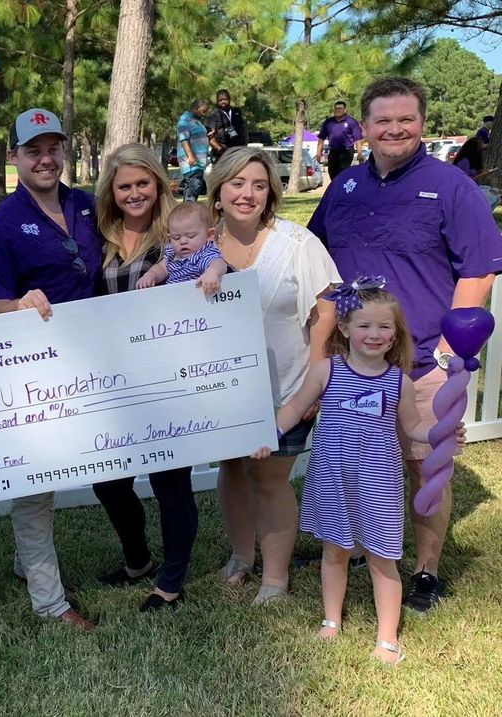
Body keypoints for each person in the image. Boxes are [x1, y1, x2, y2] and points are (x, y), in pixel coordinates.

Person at [308, 77, 502, 615]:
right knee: (349, 459)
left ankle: (425, 570)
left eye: (406, 119)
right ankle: (342, 545)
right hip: (353, 363)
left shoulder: (451, 186)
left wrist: (447, 347)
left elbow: (479, 270)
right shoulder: (343, 186)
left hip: (423, 360)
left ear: (421, 122)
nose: (395, 129)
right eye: (383, 120)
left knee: (425, 467)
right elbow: (316, 259)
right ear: (363, 127)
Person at [251, 279, 465, 664]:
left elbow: (413, 427)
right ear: (345, 329)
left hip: (378, 485)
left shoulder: (398, 381)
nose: (375, 334)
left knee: (383, 559)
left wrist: (441, 432)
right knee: (335, 553)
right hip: (333, 481)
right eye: (364, 325)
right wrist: (271, 433)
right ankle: (331, 620)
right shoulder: (326, 371)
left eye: (385, 326)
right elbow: (295, 408)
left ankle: (386, 640)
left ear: (395, 334)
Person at [0, 108, 101, 631]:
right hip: (36, 371)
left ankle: (27, 563)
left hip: (93, 361)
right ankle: (49, 600)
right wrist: (19, 305)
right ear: (14, 156)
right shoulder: (2, 225)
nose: (46, 158)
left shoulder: (87, 205)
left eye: (53, 147)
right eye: (33, 150)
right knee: (36, 484)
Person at [207, 147, 341, 603]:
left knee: (268, 477)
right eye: (237, 184)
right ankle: (243, 555)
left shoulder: (297, 244)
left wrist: (317, 372)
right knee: (233, 469)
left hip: (286, 384)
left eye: (259, 185)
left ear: (271, 194)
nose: (247, 194)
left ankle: (276, 578)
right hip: (219, 392)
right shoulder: (197, 245)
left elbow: (326, 307)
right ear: (218, 192)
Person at [93, 143, 201, 612]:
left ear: (158, 184)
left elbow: (216, 275)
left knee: (170, 483)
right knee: (108, 480)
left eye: (143, 183)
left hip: (167, 376)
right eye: (124, 186)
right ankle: (138, 560)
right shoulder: (103, 234)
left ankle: (171, 582)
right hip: (114, 377)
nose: (134, 193)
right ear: (111, 192)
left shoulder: (178, 235)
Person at [136, 202, 226, 293]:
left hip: (197, 296)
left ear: (209, 235)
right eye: (176, 238)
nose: (182, 241)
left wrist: (212, 272)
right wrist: (150, 275)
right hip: (173, 298)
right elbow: (161, 268)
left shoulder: (203, 253)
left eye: (191, 236)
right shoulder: (172, 254)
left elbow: (218, 262)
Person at [316, 101, 364, 180]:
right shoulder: (328, 122)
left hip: (346, 151)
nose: (337, 110)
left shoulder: (351, 122)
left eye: (340, 108)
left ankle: (342, 190)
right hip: (333, 151)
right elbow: (321, 139)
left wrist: (359, 153)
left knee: (342, 173)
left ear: (345, 110)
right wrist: (318, 153)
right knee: (332, 172)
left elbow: (358, 139)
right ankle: (335, 190)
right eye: (336, 108)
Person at [176, 99, 210, 202]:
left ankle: (189, 212)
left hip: (199, 161)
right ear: (196, 108)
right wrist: (190, 155)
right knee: (193, 187)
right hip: (191, 162)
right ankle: (188, 213)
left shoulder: (196, 121)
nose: (204, 114)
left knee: (196, 187)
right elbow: (184, 139)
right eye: (203, 111)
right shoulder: (184, 120)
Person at [452, 137, 501, 209]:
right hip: (466, 191)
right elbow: (463, 181)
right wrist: (482, 175)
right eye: (480, 148)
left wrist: (484, 173)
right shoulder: (464, 161)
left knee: (497, 192)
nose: (482, 151)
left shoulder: (472, 160)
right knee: (492, 196)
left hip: (474, 187)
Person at [207, 90, 245, 163]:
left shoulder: (236, 111)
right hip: (222, 153)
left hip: (237, 151)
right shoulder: (213, 114)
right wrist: (220, 149)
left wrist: (244, 145)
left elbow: (244, 129)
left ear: (229, 99)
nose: (223, 102)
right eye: (220, 100)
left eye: (225, 99)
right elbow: (209, 136)